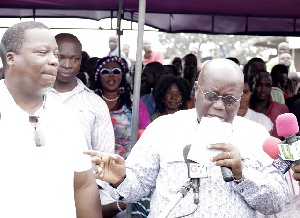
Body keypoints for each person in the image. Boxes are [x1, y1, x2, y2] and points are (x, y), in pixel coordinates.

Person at [85, 59, 289, 218]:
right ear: (197, 89)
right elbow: (136, 188)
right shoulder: (163, 128)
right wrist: (121, 178)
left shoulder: (256, 135)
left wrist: (241, 174)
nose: (219, 105)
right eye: (211, 95)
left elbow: (276, 202)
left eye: (229, 99)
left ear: (241, 97)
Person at [0, 21, 102, 217]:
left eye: (54, 54)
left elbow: (83, 186)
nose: (55, 61)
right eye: (42, 52)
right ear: (11, 58)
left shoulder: (66, 117)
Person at [48, 33, 115, 153]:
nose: (67, 65)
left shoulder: (96, 103)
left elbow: (104, 153)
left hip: (83, 171)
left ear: (81, 61)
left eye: (75, 59)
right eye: (60, 57)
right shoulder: (30, 96)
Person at [250, 71, 289, 138]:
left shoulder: (281, 110)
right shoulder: (243, 108)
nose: (263, 89)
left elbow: (287, 140)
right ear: (252, 86)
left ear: (271, 87)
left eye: (267, 85)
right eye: (259, 84)